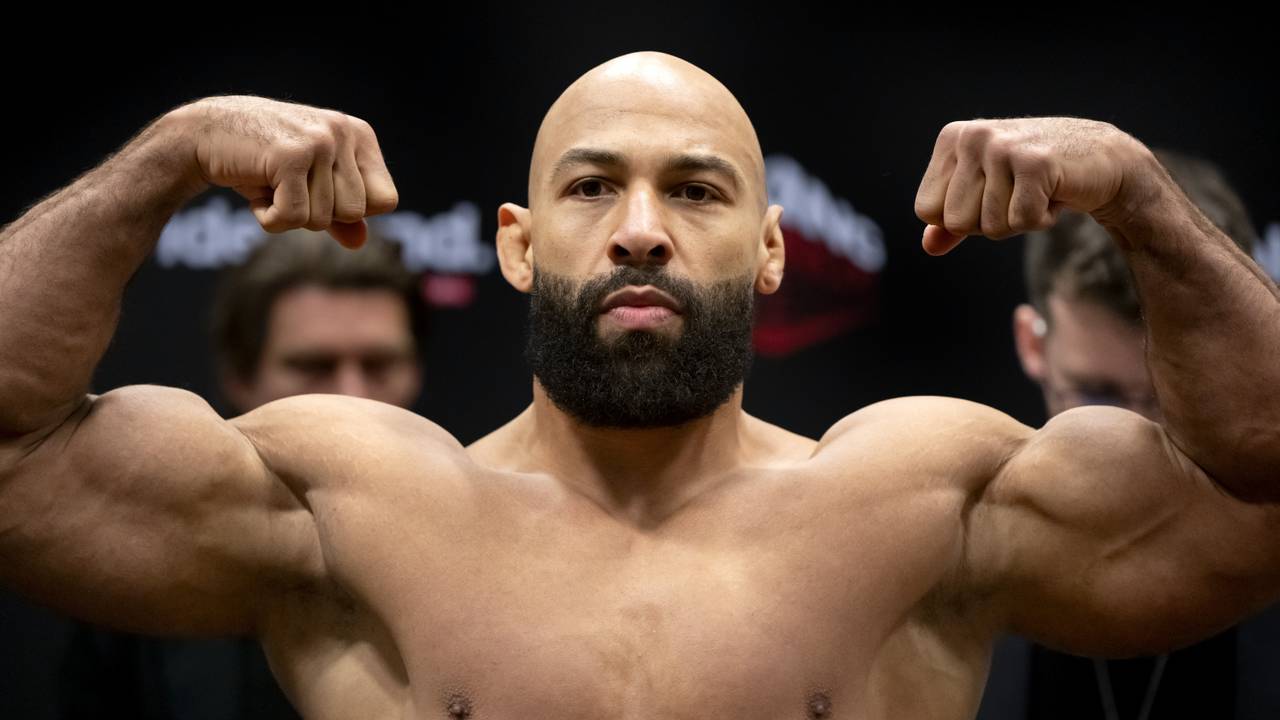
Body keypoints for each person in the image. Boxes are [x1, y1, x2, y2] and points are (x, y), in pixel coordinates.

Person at [1, 52, 1278, 720]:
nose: (640, 231)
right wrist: (167, 156)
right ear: (516, 245)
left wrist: (1137, 193)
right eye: (592, 185)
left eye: (696, 189)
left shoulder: (918, 500)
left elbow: (1255, 488)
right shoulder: (349, 506)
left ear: (771, 250)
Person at [54, 230, 425, 719]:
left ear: (416, 370)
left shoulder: (483, 548)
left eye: (379, 364)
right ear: (240, 377)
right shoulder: (139, 569)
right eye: (313, 365)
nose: (353, 396)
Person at [977, 151, 1262, 720]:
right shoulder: (959, 581)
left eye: (1177, 399)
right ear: (1033, 345)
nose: (1137, 437)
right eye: (1096, 393)